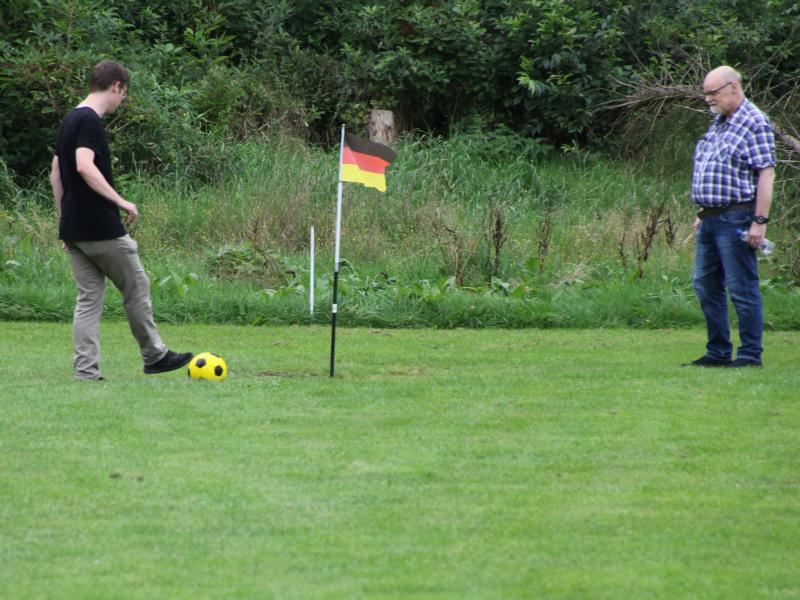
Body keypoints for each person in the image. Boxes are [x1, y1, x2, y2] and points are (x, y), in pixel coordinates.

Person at [50, 59, 192, 380]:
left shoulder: (70, 119)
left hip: (75, 230)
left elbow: (56, 173)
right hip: (100, 227)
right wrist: (120, 200)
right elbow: (84, 165)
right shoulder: (90, 121)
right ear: (116, 86)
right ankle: (155, 355)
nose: (122, 100)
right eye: (124, 94)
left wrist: (64, 221)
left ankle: (86, 371)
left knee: (88, 300)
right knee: (136, 287)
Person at [687, 65, 776, 368]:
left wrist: (759, 222)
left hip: (737, 218)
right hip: (711, 218)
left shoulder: (754, 122)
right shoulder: (719, 123)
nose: (708, 98)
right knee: (705, 285)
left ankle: (750, 354)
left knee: (741, 287)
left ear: (733, 87)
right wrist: (704, 213)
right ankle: (718, 351)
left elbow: (766, 173)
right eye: (706, 93)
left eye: (713, 92)